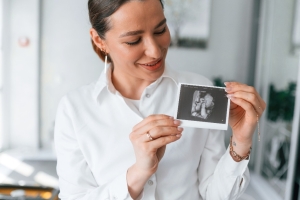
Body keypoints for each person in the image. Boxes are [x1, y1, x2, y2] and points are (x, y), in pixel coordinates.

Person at [54, 0, 266, 199]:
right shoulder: (74, 110)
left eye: (160, 30)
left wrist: (241, 141)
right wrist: (139, 173)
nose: (155, 51)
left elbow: (215, 194)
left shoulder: (200, 92)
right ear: (99, 40)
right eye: (133, 40)